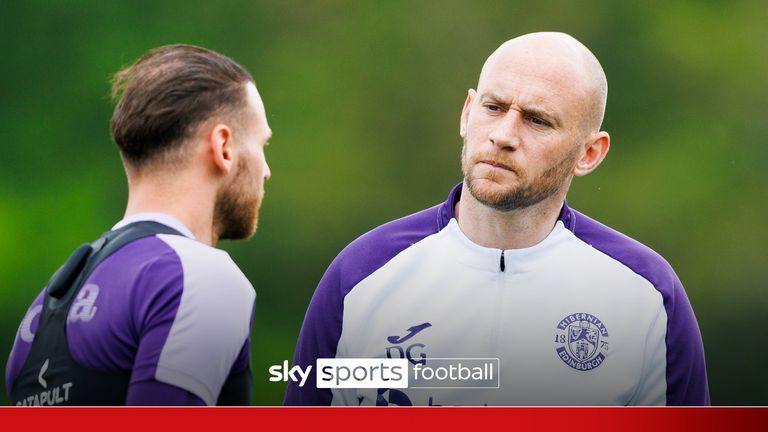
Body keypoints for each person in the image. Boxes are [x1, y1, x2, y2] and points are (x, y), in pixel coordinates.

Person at [285, 32, 709, 406]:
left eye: (537, 120)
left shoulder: (648, 296)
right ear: (467, 113)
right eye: (494, 107)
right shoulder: (361, 274)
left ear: (589, 153)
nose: (504, 135)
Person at [6, 44, 272, 406]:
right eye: (261, 145)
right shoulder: (198, 276)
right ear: (224, 146)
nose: (266, 171)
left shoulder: (43, 311)